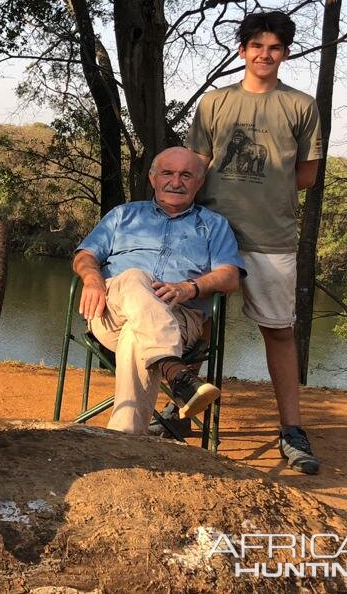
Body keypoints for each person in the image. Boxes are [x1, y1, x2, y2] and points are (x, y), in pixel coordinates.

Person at [180, 9, 324, 474]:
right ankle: (181, 408)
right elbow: (196, 166)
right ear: (243, 50)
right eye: (257, 45)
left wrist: (263, 191)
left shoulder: (301, 106)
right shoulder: (215, 103)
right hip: (212, 234)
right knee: (194, 319)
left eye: (275, 47)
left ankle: (292, 430)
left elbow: (305, 175)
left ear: (285, 53)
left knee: (279, 331)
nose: (265, 54)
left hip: (272, 237)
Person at [73, 147, 244, 435]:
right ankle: (176, 373)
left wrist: (190, 288)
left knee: (136, 338)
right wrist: (91, 278)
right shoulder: (122, 216)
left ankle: (122, 440)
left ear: (199, 183)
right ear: (153, 178)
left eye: (186, 175)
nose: (175, 182)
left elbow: (230, 277)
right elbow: (85, 255)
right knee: (134, 278)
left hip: (179, 318)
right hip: (111, 312)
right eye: (167, 173)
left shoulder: (214, 226)